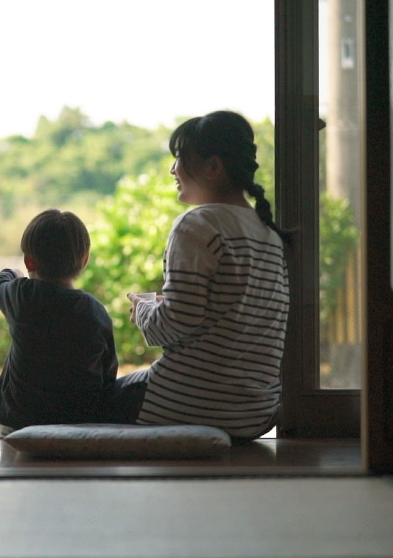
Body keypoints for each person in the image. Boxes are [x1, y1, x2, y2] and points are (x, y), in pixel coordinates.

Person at [106, 110, 291, 441]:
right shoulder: (268, 234)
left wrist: (143, 309)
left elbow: (177, 322)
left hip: (188, 405)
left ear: (213, 167)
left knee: (87, 400)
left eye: (179, 158)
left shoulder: (198, 224)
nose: (173, 169)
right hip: (254, 415)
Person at [0, 209, 119, 435]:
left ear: (29, 261)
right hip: (79, 427)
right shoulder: (95, 311)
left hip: (21, 426)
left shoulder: (23, 296)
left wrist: (16, 273)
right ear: (84, 260)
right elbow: (108, 374)